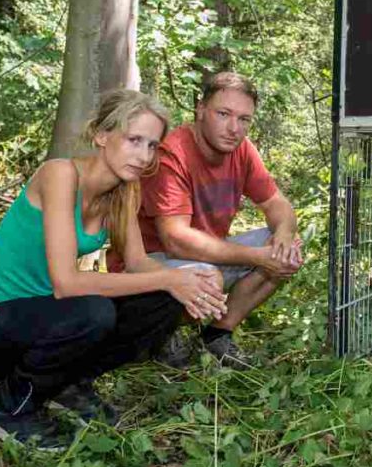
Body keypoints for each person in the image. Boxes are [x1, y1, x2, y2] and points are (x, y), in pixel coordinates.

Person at [0, 89, 228, 450]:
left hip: (50, 321)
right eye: (134, 140)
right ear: (102, 135)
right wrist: (170, 277)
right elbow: (67, 284)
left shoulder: (124, 191)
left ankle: (66, 385)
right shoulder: (59, 174)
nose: (144, 155)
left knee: (162, 300)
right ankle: (7, 406)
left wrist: (192, 277)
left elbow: (138, 264)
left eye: (152, 145)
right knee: (93, 309)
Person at [106, 72, 302, 368]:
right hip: (147, 267)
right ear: (200, 109)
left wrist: (285, 235)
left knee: (286, 248)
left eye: (244, 119)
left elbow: (277, 203)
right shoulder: (172, 154)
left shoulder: (242, 150)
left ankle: (217, 334)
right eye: (223, 114)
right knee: (209, 273)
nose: (234, 128)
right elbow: (176, 240)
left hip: (203, 258)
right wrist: (258, 257)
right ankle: (162, 333)